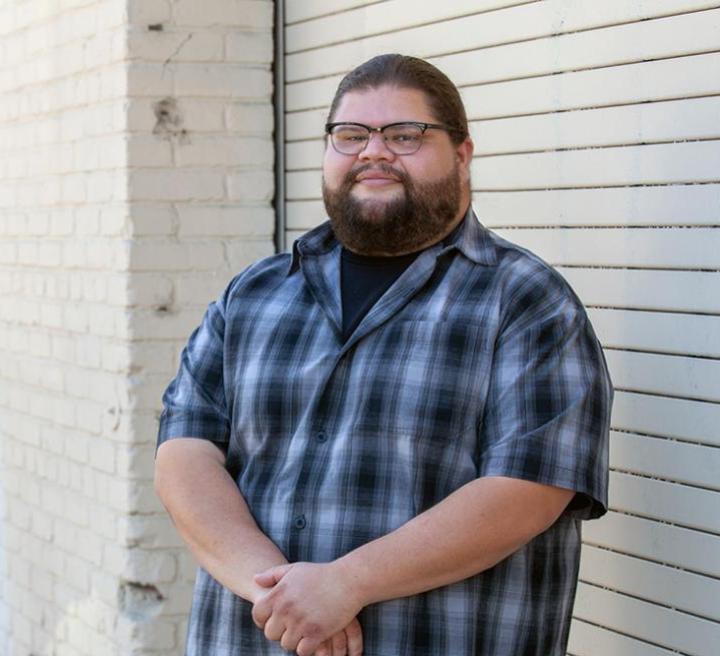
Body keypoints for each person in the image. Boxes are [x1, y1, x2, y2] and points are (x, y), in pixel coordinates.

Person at [154, 53, 612, 656]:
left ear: (463, 154)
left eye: (405, 135)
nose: (373, 152)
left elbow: (529, 490)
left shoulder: (525, 301)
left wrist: (345, 584)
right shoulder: (254, 294)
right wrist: (282, 595)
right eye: (351, 135)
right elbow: (184, 454)